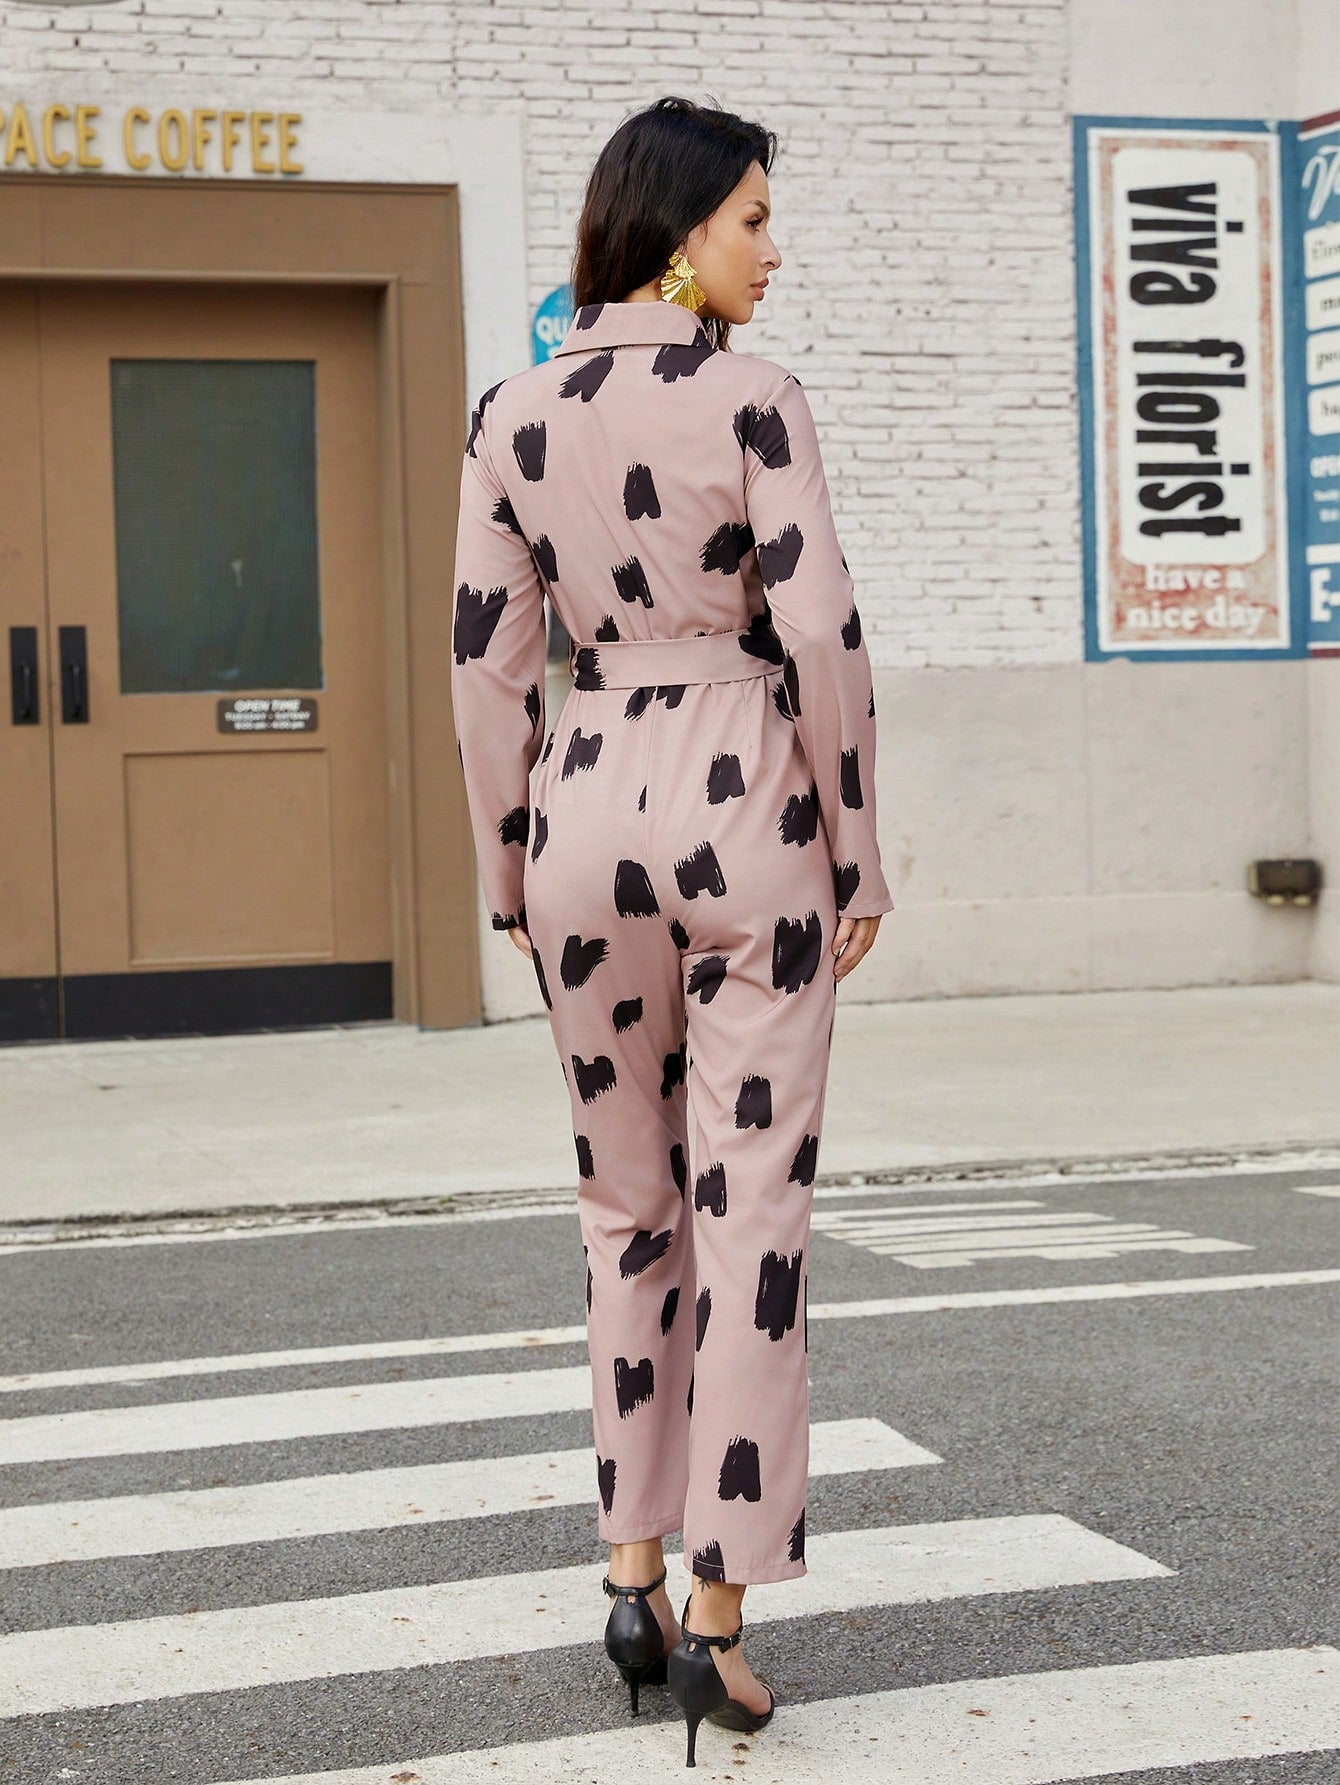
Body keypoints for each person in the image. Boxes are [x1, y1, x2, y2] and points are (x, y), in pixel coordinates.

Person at [449, 93, 894, 1767]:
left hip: (582, 821)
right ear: (681, 231)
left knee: (621, 1205)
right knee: (748, 1212)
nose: (774, 249)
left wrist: (509, 866)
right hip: (744, 810)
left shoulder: (511, 415)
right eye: (754, 218)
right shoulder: (757, 399)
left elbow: (486, 663)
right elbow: (822, 632)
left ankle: (628, 1576)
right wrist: (857, 851)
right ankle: (718, 1611)